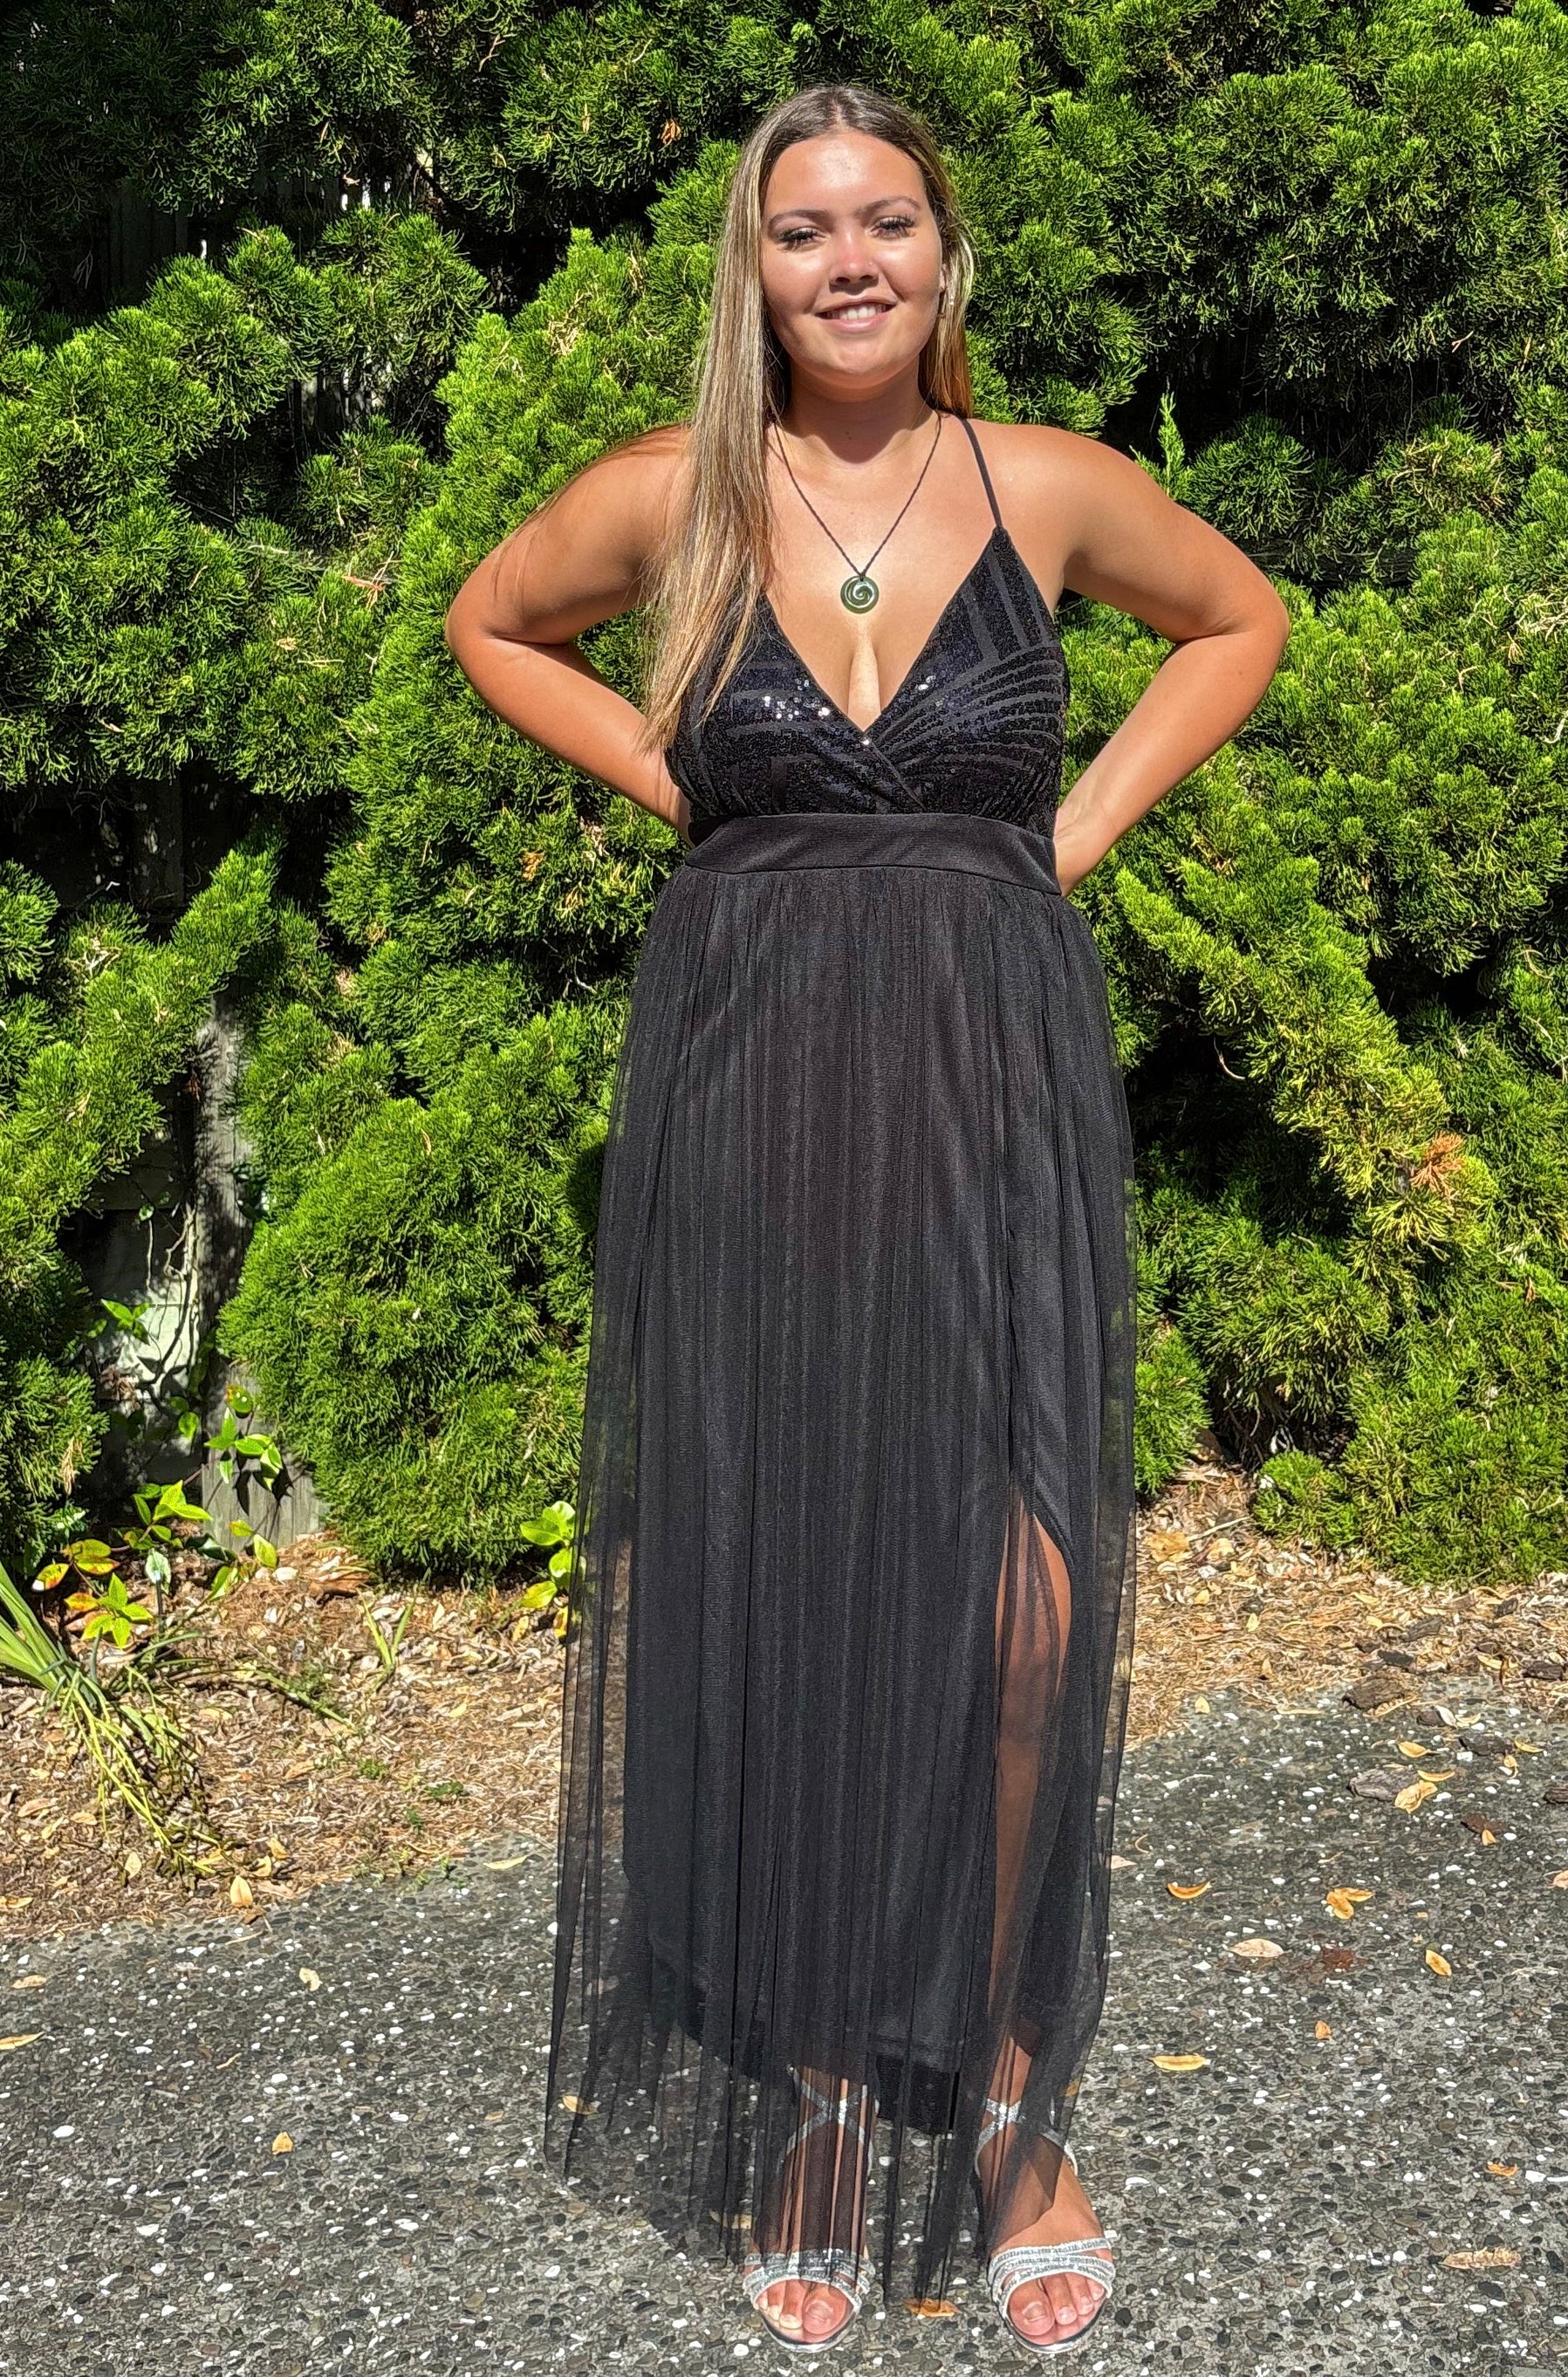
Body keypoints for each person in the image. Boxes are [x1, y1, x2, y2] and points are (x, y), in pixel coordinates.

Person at [446, 80, 1288, 2361]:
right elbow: (492, 621)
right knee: (788, 1570)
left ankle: (1002, 2082)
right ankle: (822, 2087)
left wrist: (1063, 839)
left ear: (943, 254)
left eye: (887, 221)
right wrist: (683, 784)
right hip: (757, 1092)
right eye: (805, 227)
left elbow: (1236, 619)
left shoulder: (1044, 487)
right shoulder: (673, 493)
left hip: (990, 1084)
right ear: (754, 265)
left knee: (1018, 1607)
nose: (850, 261)